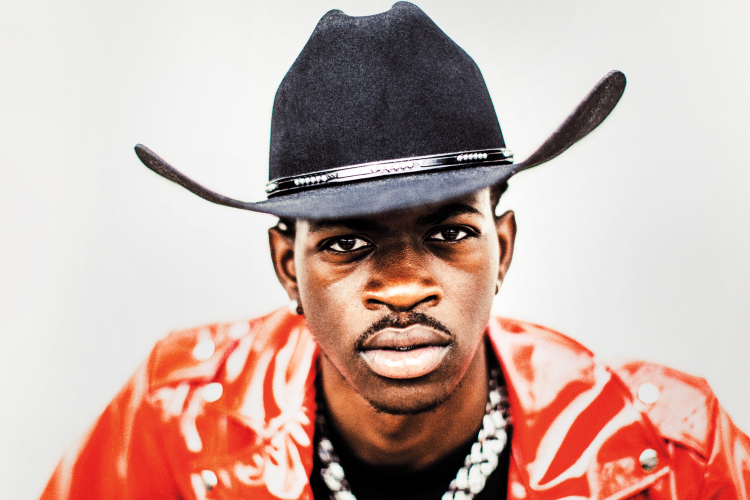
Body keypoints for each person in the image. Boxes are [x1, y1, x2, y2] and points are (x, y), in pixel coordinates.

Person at [40, 3, 749, 499]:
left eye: (450, 234)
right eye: (347, 243)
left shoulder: (666, 451)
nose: (404, 287)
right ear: (288, 267)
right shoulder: (176, 419)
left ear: (503, 248)